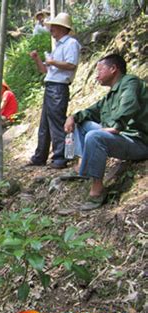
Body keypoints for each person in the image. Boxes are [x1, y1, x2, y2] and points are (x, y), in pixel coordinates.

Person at [64, 54, 148, 210]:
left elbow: (130, 104)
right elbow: (90, 111)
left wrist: (117, 126)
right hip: (122, 138)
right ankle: (81, 167)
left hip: (138, 142)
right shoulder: (109, 97)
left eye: (100, 70)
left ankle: (97, 190)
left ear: (113, 69)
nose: (96, 76)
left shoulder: (130, 82)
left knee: (94, 136)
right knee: (80, 124)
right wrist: (73, 117)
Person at [27, 12, 81, 169]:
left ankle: (60, 158)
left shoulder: (71, 43)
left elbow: (71, 65)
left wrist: (53, 62)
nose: (51, 29)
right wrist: (37, 59)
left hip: (58, 87)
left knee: (57, 123)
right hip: (51, 86)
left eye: (54, 27)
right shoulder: (58, 46)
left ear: (62, 28)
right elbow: (45, 70)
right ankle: (40, 156)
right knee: (44, 124)